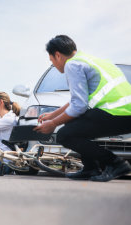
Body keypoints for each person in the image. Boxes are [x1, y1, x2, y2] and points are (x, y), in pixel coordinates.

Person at [34, 35, 131, 182]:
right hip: (124, 113)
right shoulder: (92, 61)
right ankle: (91, 168)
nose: (53, 63)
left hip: (116, 112)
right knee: (74, 122)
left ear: (58, 55)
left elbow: (78, 106)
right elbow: (79, 100)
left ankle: (115, 163)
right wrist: (53, 115)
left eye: (52, 60)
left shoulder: (72, 65)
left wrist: (53, 124)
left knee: (65, 135)